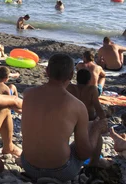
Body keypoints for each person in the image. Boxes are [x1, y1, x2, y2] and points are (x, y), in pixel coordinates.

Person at [21, 54, 108, 182]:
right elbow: (83, 153)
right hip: (62, 171)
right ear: (72, 75)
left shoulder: (28, 94)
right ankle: (92, 169)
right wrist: (97, 129)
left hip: (29, 166)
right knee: (93, 129)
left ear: (47, 71)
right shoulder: (78, 106)